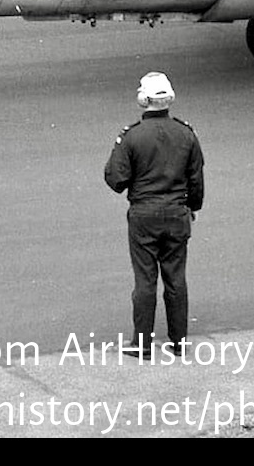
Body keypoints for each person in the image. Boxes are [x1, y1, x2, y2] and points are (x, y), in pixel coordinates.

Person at [104, 71, 204, 356]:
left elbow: (116, 179)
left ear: (143, 99)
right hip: (177, 213)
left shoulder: (132, 136)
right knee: (176, 278)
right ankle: (179, 341)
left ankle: (142, 343)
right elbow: (196, 180)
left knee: (145, 280)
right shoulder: (186, 134)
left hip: (144, 215)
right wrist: (191, 208)